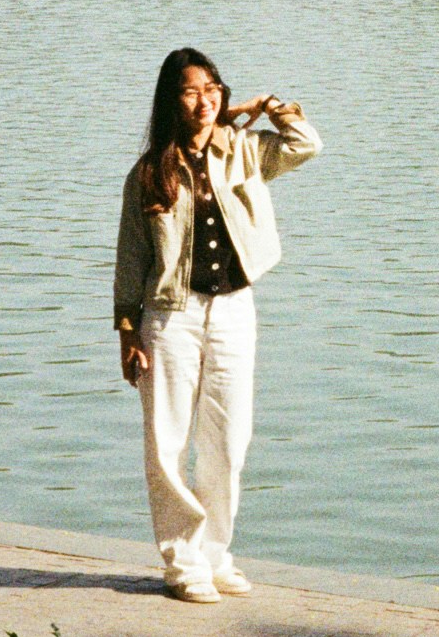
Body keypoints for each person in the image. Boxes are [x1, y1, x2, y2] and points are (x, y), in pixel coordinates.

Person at [114, 46, 321, 603]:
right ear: (170, 101)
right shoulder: (149, 173)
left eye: (211, 90)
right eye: (189, 91)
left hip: (234, 309)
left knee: (229, 439)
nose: (202, 100)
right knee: (168, 442)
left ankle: (215, 555)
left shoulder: (246, 152)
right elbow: (131, 258)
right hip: (169, 316)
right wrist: (127, 332)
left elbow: (307, 144)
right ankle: (183, 562)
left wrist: (263, 108)